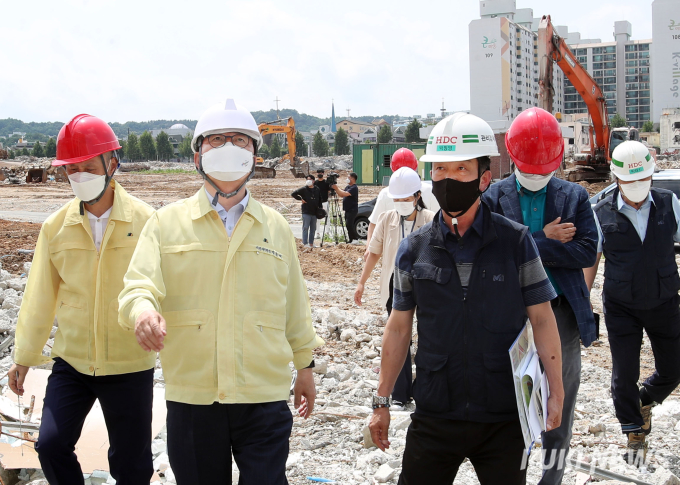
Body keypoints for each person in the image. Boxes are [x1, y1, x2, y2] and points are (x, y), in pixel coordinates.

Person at [118, 99, 324, 485]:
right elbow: (138, 284)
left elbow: (295, 306)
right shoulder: (167, 223)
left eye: (240, 140)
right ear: (198, 155)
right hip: (194, 396)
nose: (229, 147)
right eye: (216, 140)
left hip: (262, 395)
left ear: (255, 155)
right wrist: (143, 312)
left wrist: (305, 367)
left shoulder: (275, 227)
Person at [368, 113, 564, 485]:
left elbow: (542, 317)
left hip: (503, 418)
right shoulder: (413, 250)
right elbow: (397, 328)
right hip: (435, 414)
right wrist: (381, 402)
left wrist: (556, 390)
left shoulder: (516, 242)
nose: (449, 179)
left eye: (461, 169)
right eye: (440, 169)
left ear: (484, 178)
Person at [9, 114, 156, 484]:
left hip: (128, 364)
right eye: (71, 169)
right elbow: (39, 296)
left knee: (131, 463)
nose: (79, 175)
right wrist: (24, 357)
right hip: (72, 362)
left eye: (88, 166)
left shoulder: (147, 221)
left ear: (113, 163)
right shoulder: (56, 227)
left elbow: (161, 287)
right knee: (51, 445)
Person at [483, 107, 598, 484]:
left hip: (561, 313)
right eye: (530, 170)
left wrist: (523, 245)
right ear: (512, 160)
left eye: (543, 171)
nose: (536, 177)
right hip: (509, 314)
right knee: (510, 399)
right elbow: (489, 250)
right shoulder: (494, 196)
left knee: (559, 402)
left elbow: (585, 250)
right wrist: (544, 239)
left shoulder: (574, 196)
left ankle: (552, 478)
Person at [584, 140, 680, 465]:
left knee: (674, 367)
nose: (638, 187)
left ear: (652, 176)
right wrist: (583, 304)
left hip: (665, 300)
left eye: (643, 180)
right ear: (616, 179)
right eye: (630, 181)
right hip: (622, 304)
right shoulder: (599, 212)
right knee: (623, 373)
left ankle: (645, 400)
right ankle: (634, 432)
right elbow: (591, 261)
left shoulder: (670, 204)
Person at [355, 167, 434, 408]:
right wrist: (361, 282)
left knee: (428, 337)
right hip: (396, 285)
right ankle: (400, 395)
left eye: (406, 199)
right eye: (397, 199)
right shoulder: (387, 220)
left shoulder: (430, 219)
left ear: (417, 196)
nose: (401, 203)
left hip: (426, 286)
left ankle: (424, 391)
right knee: (400, 338)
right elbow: (374, 253)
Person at [364, 148, 440, 261]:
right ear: (416, 168)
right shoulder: (431, 190)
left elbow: (373, 224)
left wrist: (369, 247)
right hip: (426, 257)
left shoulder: (386, 193)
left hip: (394, 257)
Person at [292, 174, 322, 248]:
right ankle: (305, 243)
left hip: (314, 212)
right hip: (306, 211)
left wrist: (320, 209)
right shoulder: (304, 189)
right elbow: (294, 194)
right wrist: (301, 199)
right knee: (305, 227)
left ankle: (311, 243)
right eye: (307, 179)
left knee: (313, 228)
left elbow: (320, 199)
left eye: (310, 179)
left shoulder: (317, 189)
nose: (308, 181)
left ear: (313, 181)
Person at [331, 172, 360, 243]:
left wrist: (336, 188)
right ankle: (351, 239)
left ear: (353, 179)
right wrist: (336, 189)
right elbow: (341, 194)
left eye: (348, 178)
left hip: (352, 209)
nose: (347, 179)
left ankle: (355, 239)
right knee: (347, 225)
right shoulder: (348, 187)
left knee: (349, 224)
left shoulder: (354, 187)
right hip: (347, 209)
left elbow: (345, 194)